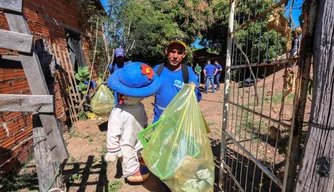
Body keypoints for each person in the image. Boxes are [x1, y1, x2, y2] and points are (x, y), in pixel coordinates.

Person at [104, 62, 161, 183]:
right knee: (127, 151)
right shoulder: (118, 111)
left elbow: (143, 116)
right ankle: (131, 171)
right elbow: (112, 130)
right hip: (126, 138)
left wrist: (145, 126)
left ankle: (139, 159)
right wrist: (113, 149)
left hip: (139, 132)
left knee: (140, 147)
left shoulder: (139, 105)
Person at [153, 37, 201, 123]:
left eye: (179, 53)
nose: (175, 56)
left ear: (184, 55)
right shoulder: (157, 70)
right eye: (173, 51)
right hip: (159, 121)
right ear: (166, 51)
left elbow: (197, 97)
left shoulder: (188, 72)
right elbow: (144, 88)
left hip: (180, 121)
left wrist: (193, 90)